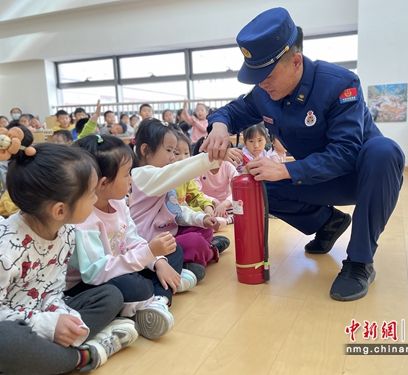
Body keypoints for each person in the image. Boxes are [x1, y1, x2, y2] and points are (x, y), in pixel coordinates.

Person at [201, 7, 405, 301]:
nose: (261, 84)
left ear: (295, 61)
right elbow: (230, 111)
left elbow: (347, 152)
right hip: (316, 178)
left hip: (363, 177)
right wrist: (219, 127)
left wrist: (286, 170)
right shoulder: (264, 93)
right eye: (256, 78)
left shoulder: (340, 84)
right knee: (259, 186)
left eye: (266, 76)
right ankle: (328, 223)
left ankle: (360, 263)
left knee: (384, 151)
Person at [0, 143, 138, 374]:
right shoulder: (6, 250)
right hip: (12, 323)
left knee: (110, 295)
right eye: (91, 194)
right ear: (60, 210)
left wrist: (63, 317)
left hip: (40, 313)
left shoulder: (67, 232)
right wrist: (47, 325)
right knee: (7, 340)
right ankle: (81, 356)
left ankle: (50, 355)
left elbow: (53, 289)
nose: (96, 199)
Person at [68, 135, 196, 340]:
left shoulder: (118, 203)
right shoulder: (83, 219)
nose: (131, 179)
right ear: (102, 183)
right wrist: (149, 254)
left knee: (173, 250)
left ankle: (157, 300)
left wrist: (159, 261)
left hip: (121, 267)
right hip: (91, 283)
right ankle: (160, 293)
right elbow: (95, 273)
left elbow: (133, 239)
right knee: (134, 287)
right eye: (127, 174)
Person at [129, 119, 234, 280]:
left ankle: (201, 253)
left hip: (170, 233)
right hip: (152, 243)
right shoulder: (143, 175)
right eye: (170, 150)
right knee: (194, 241)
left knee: (204, 229)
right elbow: (180, 170)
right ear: (145, 150)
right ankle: (208, 252)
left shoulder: (161, 178)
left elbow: (176, 209)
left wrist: (201, 218)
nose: (173, 157)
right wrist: (213, 158)